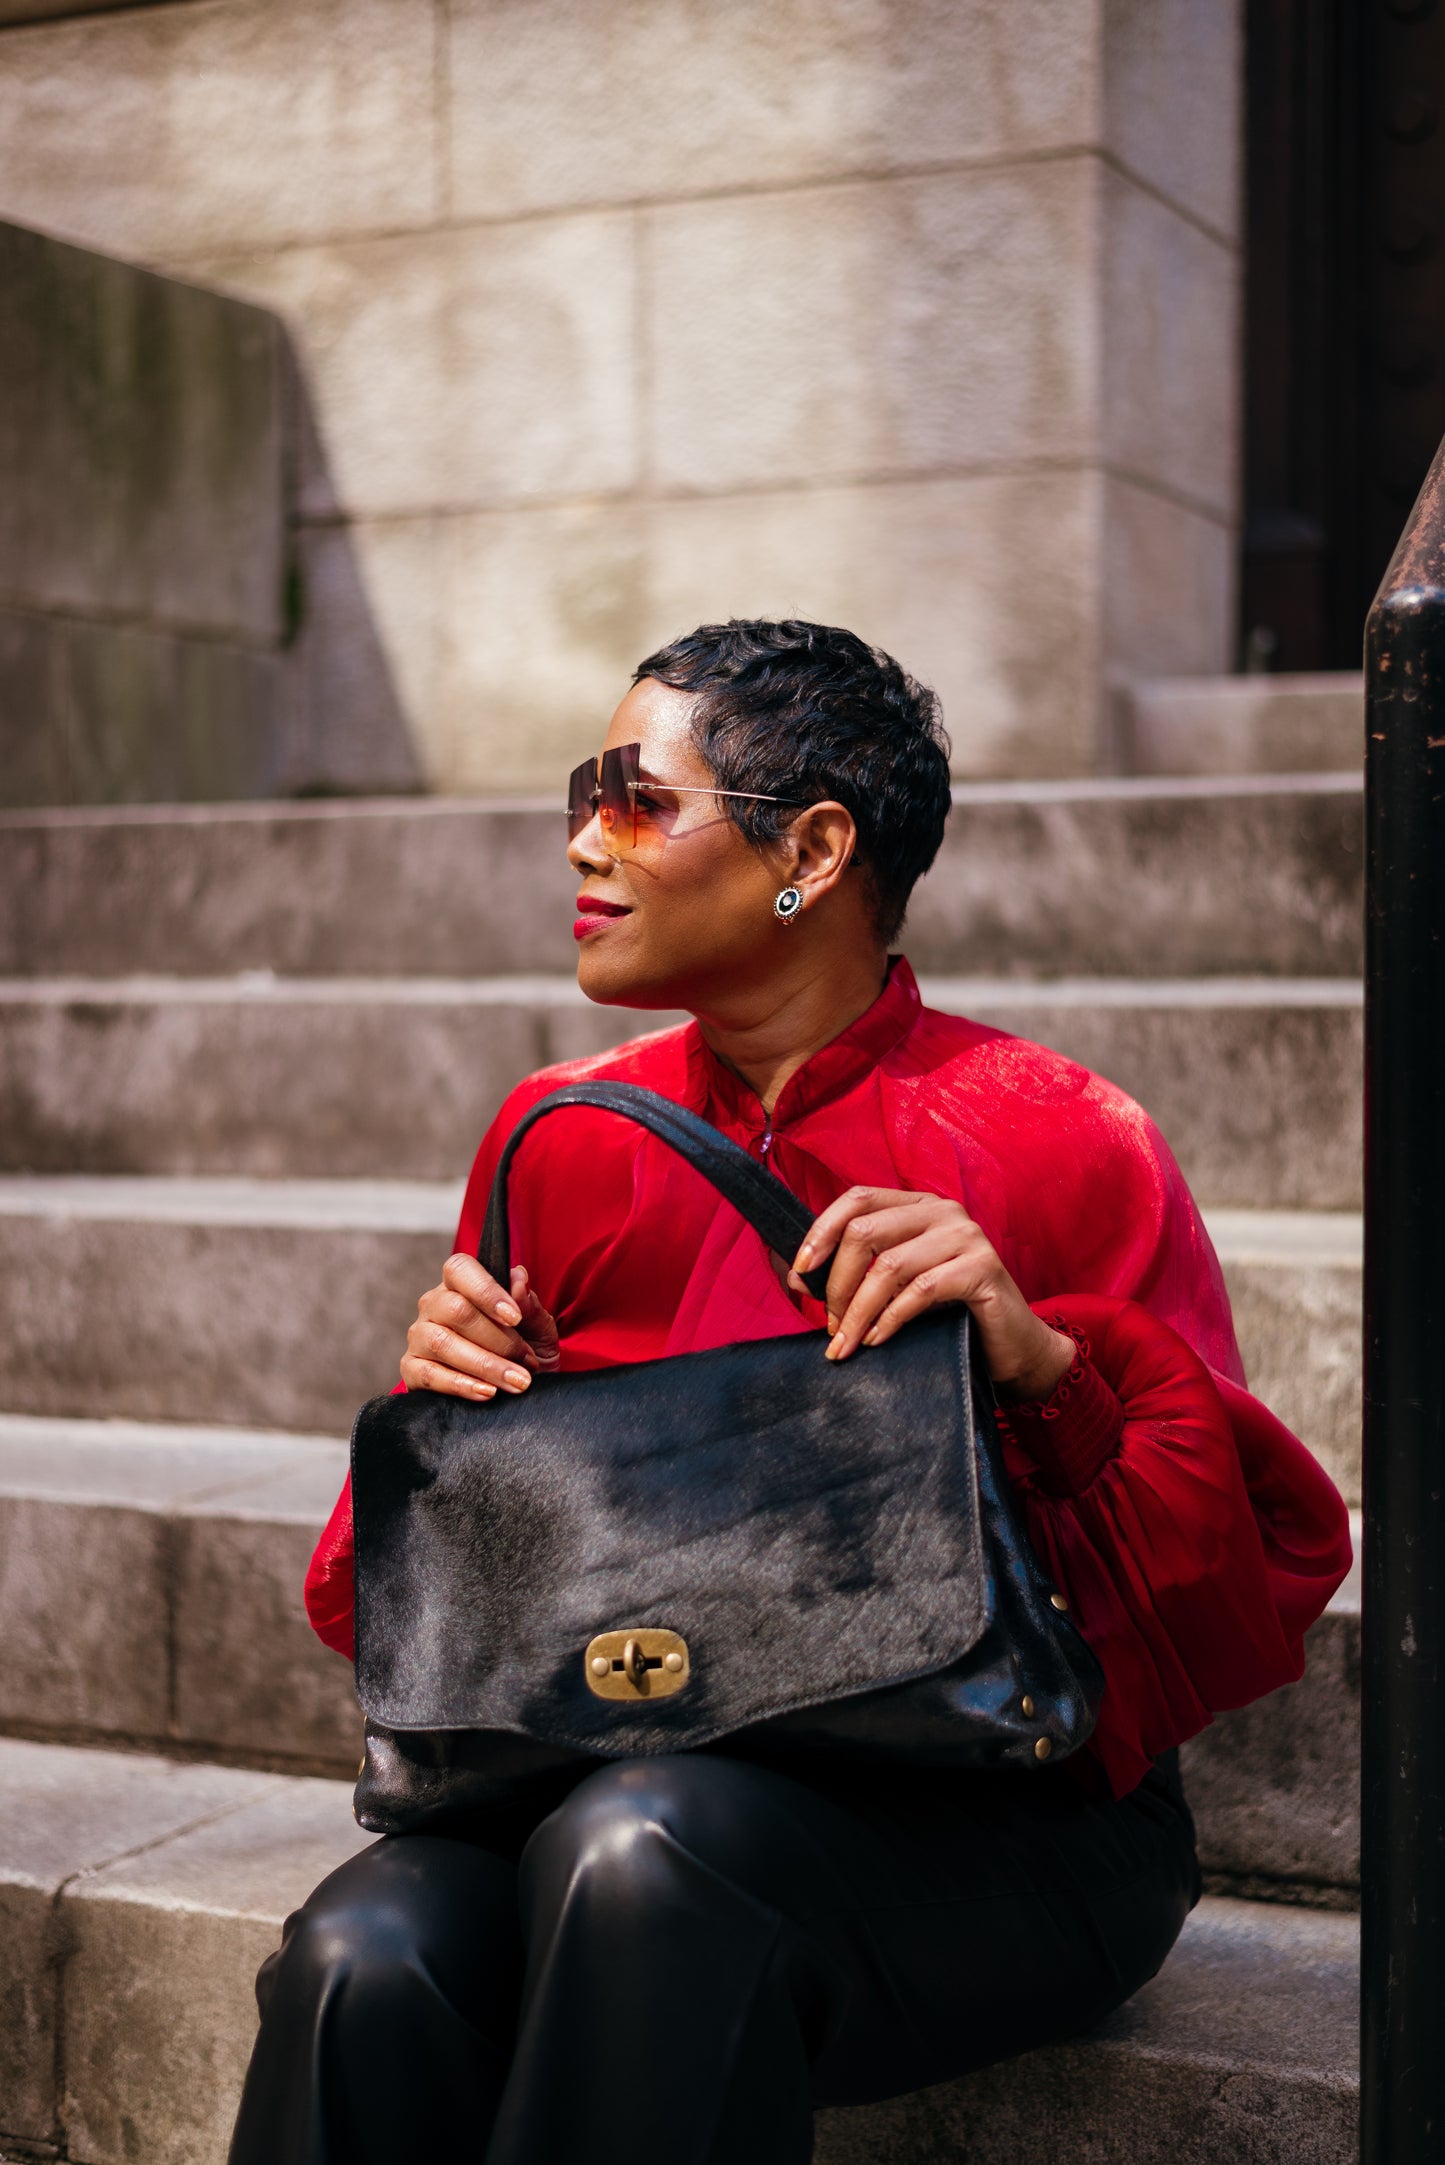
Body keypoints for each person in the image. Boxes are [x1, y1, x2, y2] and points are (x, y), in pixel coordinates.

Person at [230, 620, 1351, 2165]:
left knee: (642, 1856)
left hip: (998, 1811)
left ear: (809, 850)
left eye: (635, 799)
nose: (581, 840)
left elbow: (1224, 1608)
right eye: (586, 792)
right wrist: (449, 1429)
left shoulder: (1057, 1134)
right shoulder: (560, 1137)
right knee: (369, 1955)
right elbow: (391, 1616)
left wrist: (1034, 1366)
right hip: (603, 1772)